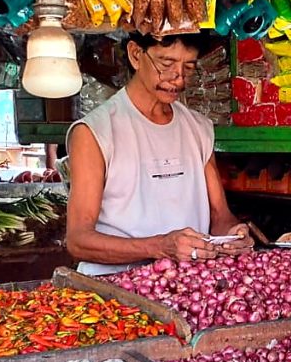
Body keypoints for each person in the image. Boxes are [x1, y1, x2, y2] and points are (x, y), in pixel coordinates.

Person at [66, 31, 252, 276]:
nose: (178, 78)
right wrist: (160, 247)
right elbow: (78, 240)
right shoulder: (95, 132)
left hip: (184, 286)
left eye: (188, 67)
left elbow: (220, 215)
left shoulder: (198, 129)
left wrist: (232, 234)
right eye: (166, 64)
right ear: (135, 55)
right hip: (113, 291)